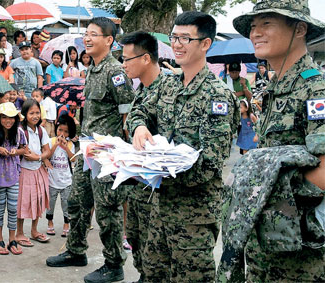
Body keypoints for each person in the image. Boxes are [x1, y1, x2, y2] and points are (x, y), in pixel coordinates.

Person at [127, 12, 238, 282]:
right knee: (154, 274)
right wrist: (140, 127)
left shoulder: (218, 96)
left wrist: (155, 170)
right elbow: (137, 111)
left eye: (185, 38)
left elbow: (210, 164)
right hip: (159, 209)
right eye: (174, 37)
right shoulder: (167, 84)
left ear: (205, 44)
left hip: (193, 218)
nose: (176, 44)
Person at [219, 1, 325, 281]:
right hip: (268, 242)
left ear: (299, 28)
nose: (256, 33)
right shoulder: (275, 88)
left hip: (299, 252)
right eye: (253, 26)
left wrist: (264, 195)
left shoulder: (316, 88)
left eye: (267, 24)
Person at [45, 17, 135, 283]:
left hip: (106, 153)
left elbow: (128, 112)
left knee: (107, 209)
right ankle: (75, 250)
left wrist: (120, 154)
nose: (87, 38)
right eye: (86, 33)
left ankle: (114, 264)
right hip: (87, 149)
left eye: (94, 34)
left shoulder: (115, 72)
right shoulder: (92, 71)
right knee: (77, 202)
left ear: (109, 40)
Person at [121, 30, 165, 282]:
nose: (123, 64)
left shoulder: (169, 90)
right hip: (138, 185)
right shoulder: (141, 90)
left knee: (155, 252)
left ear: (146, 58)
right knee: (137, 241)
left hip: (158, 191)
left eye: (127, 59)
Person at [0, 102, 28, 255]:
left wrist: (16, 152)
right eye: (5, 117)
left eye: (11, 117)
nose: (8, 121)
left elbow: (24, 149)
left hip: (14, 176)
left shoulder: (19, 132)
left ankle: (12, 240)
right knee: (0, 209)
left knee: (13, 209)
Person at [16, 99, 51, 246]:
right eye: (31, 113)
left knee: (38, 200)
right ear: (25, 114)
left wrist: (38, 157)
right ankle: (19, 233)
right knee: (23, 202)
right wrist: (37, 155)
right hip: (24, 171)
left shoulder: (41, 131)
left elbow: (48, 151)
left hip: (38, 170)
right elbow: (24, 153)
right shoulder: (20, 131)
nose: (35, 116)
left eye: (37, 113)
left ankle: (34, 230)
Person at [46, 114, 76, 238]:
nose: (62, 134)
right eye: (60, 130)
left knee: (66, 203)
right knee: (50, 203)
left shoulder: (70, 145)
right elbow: (47, 156)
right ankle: (50, 221)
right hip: (52, 180)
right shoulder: (51, 141)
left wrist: (65, 147)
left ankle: (66, 224)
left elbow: (73, 159)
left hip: (66, 181)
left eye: (66, 131)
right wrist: (56, 145)